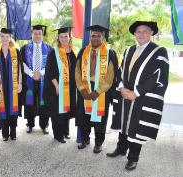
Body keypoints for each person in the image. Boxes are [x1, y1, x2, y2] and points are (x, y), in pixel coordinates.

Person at [107, 21, 169, 171]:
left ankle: (133, 158)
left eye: (145, 31)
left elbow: (157, 77)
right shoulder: (129, 50)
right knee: (124, 123)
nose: (141, 34)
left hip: (142, 97)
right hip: (125, 95)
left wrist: (136, 92)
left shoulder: (159, 51)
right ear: (134, 34)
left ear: (151, 33)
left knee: (136, 127)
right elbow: (121, 71)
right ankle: (121, 148)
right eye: (138, 31)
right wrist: (121, 88)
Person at [75, 25, 118, 153]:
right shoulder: (83, 52)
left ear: (102, 38)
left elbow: (110, 75)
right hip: (85, 89)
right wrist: (82, 89)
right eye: (93, 35)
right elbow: (77, 71)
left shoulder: (110, 53)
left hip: (102, 91)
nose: (95, 38)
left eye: (98, 36)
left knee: (100, 119)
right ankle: (85, 139)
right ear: (90, 37)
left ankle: (98, 143)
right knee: (84, 118)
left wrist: (98, 91)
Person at [44, 27, 77, 143]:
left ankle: (65, 131)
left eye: (66, 36)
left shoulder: (73, 51)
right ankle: (58, 135)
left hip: (70, 87)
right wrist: (57, 86)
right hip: (56, 87)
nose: (64, 38)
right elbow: (49, 71)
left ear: (69, 37)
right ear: (58, 38)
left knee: (67, 110)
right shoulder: (54, 52)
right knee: (57, 112)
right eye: (61, 36)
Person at [20, 25, 52, 134]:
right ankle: (30, 124)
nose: (37, 35)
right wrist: (31, 73)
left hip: (44, 80)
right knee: (29, 102)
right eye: (35, 33)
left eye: (39, 33)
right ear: (32, 34)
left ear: (42, 35)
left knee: (44, 103)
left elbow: (50, 65)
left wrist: (41, 73)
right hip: (30, 79)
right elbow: (22, 63)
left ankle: (44, 125)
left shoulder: (49, 49)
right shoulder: (25, 48)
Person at [0, 28, 23, 141]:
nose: (5, 39)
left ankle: (13, 132)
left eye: (7, 36)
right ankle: (5, 133)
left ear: (10, 38)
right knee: (2, 108)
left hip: (13, 85)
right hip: (0, 86)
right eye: (2, 36)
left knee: (13, 108)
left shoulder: (16, 51)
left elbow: (20, 68)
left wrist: (20, 84)